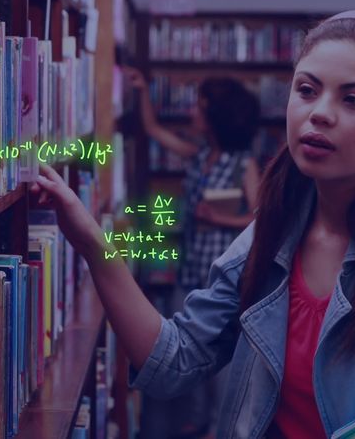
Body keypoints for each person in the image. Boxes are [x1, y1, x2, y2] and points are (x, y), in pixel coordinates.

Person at [32, 11, 355, 438]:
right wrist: (91, 242)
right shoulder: (272, 233)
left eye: (353, 99)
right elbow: (173, 362)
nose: (319, 114)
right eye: (307, 90)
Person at [121, 67, 261, 437]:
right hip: (190, 271)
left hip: (223, 278)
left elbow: (261, 218)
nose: (192, 114)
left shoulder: (243, 164)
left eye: (200, 108)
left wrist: (217, 217)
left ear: (217, 116)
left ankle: (218, 427)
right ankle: (198, 423)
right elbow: (154, 131)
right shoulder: (201, 155)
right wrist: (143, 91)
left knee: (221, 366)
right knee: (191, 355)